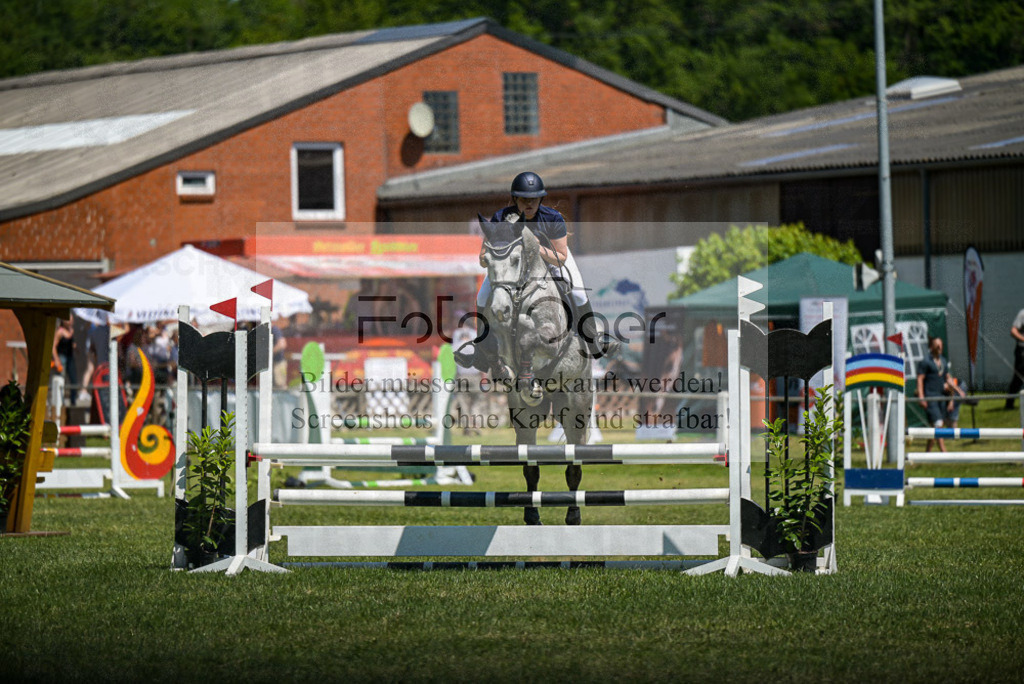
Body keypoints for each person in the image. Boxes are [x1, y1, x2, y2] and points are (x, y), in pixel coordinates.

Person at [455, 171, 618, 374]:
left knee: (577, 291)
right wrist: (486, 256)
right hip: (511, 268)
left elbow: (561, 256)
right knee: (482, 296)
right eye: (524, 200)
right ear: (515, 199)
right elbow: (484, 255)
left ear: (540, 199)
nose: (529, 204)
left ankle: (594, 338)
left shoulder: (552, 217)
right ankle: (480, 349)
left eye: (534, 199)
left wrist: (536, 248)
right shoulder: (501, 217)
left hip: (551, 261)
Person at [916, 336, 957, 452]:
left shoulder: (943, 361)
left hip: (942, 398)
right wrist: (921, 397)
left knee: (936, 427)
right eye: (936, 344)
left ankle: (927, 453)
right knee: (938, 424)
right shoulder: (926, 362)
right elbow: (920, 380)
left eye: (941, 344)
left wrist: (951, 399)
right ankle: (944, 452)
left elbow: (949, 380)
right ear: (931, 346)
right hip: (930, 397)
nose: (939, 347)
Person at [1005, 307, 1024, 409]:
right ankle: (1009, 403)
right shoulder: (1022, 314)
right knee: (1018, 378)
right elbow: (1013, 331)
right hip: (1022, 351)